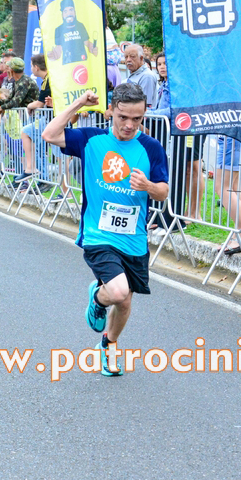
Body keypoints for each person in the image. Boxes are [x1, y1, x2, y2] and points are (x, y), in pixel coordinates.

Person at [41, 83, 169, 376]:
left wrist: (148, 186)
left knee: (124, 302)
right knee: (118, 291)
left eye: (137, 118)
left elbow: (163, 192)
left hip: (134, 239)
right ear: (110, 111)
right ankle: (98, 298)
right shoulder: (91, 139)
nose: (129, 125)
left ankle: (108, 345)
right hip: (98, 234)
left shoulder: (151, 148)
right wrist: (79, 104)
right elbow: (49, 134)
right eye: (123, 117)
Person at [48, 0, 98, 64]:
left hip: (83, 63)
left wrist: (93, 49)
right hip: (68, 65)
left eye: (71, 10)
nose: (69, 14)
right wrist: (52, 55)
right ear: (62, 14)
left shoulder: (80, 26)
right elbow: (58, 51)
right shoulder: (58, 29)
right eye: (65, 11)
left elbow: (87, 43)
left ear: (75, 11)